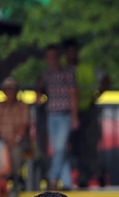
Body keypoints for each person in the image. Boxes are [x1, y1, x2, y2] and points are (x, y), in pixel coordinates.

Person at [64, 39, 110, 189]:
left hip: (87, 110)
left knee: (89, 145)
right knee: (75, 147)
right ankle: (84, 176)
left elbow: (105, 79)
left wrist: (96, 95)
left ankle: (96, 173)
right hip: (68, 112)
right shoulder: (61, 69)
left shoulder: (86, 68)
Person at [37, 45, 78, 189]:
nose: (52, 60)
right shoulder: (46, 75)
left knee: (60, 148)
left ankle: (52, 178)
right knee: (59, 150)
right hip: (51, 115)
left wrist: (74, 116)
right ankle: (67, 182)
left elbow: (73, 94)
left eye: (54, 56)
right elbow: (39, 89)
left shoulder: (67, 73)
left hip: (65, 114)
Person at [0, 77, 31, 185]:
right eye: (7, 89)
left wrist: (14, 141)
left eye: (12, 88)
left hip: (19, 141)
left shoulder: (23, 106)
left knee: (15, 151)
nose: (10, 91)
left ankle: (15, 179)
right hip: (0, 141)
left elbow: (24, 125)